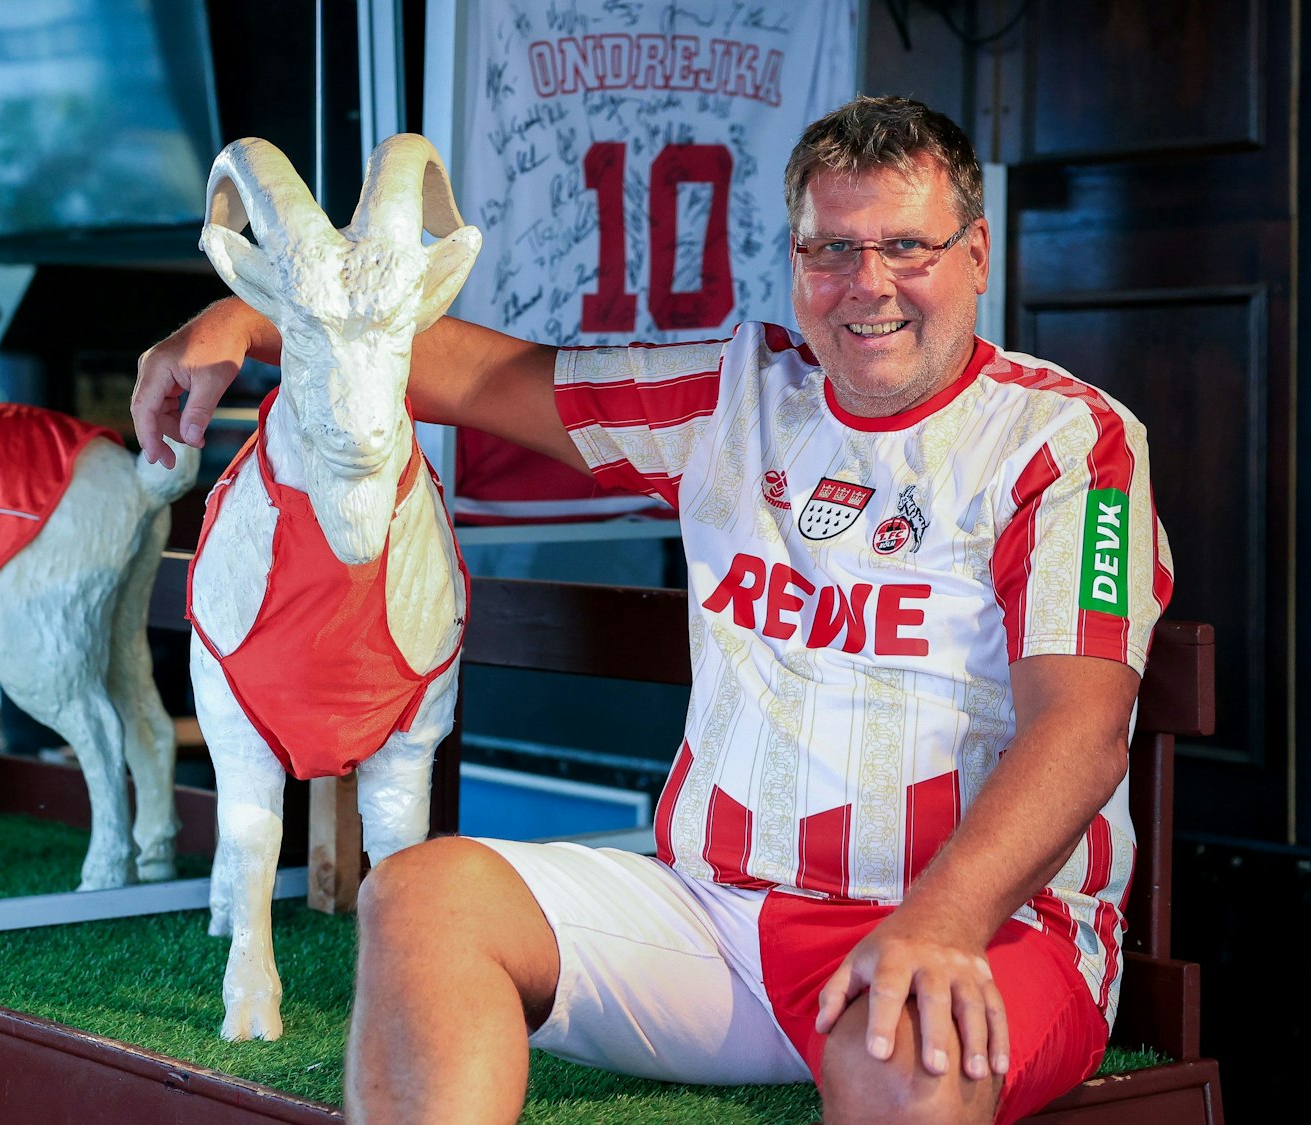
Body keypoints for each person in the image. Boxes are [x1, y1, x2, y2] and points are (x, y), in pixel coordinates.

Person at [132, 96, 1170, 1125]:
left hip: (978, 925)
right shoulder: (735, 395)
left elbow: (1078, 733)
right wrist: (248, 320)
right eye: (831, 249)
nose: (868, 284)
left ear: (975, 254)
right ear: (795, 258)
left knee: (906, 1060)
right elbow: (475, 376)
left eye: (907, 246)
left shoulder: (1063, 442)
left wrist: (941, 922)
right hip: (717, 924)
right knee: (417, 898)